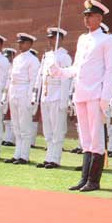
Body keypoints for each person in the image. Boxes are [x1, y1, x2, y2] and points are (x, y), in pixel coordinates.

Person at [50, 0, 112, 192]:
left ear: (100, 18)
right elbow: (77, 67)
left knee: (96, 138)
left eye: (91, 16)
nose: (87, 19)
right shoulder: (82, 39)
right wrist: (59, 72)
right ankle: (84, 178)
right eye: (85, 16)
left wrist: (105, 97)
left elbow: (110, 70)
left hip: (96, 93)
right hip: (81, 92)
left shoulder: (107, 40)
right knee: (85, 138)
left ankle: (94, 180)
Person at [36, 27, 72, 169]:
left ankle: (55, 158)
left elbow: (66, 79)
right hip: (46, 94)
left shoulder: (64, 57)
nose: (51, 40)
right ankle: (49, 156)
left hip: (58, 95)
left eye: (54, 38)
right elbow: (41, 76)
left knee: (57, 129)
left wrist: (64, 100)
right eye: (50, 38)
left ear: (60, 39)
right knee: (48, 129)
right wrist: (38, 95)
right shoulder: (47, 56)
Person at [6, 33, 40, 165]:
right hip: (14, 92)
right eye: (19, 42)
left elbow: (33, 81)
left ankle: (24, 155)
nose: (20, 45)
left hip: (24, 92)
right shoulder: (17, 59)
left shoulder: (33, 60)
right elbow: (11, 78)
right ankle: (17, 154)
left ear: (30, 44)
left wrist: (31, 98)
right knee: (16, 125)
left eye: (23, 42)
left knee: (24, 126)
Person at [1, 47, 17, 147]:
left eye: (8, 57)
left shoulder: (14, 67)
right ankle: (6, 137)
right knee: (5, 117)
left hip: (11, 92)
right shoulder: (4, 66)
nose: (7, 59)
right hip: (3, 93)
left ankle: (11, 139)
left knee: (11, 116)